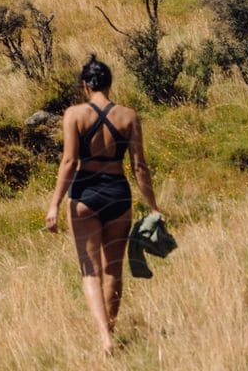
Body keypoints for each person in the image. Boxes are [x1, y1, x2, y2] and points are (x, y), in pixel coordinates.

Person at [45, 54, 161, 355]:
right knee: (114, 270)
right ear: (109, 83)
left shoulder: (74, 115)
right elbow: (139, 166)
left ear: (85, 85)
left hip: (85, 194)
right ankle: (110, 329)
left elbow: (69, 161)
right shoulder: (129, 116)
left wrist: (54, 205)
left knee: (89, 271)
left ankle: (103, 337)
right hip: (118, 194)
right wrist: (154, 207)